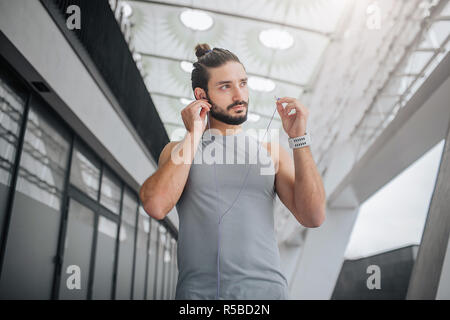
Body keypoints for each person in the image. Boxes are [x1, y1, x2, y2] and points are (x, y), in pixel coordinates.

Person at [139, 43, 326, 300]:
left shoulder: (270, 152)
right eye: (225, 86)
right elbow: (155, 205)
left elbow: (313, 216)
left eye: (243, 83)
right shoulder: (178, 151)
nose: (240, 95)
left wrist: (299, 139)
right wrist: (194, 135)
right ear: (201, 95)